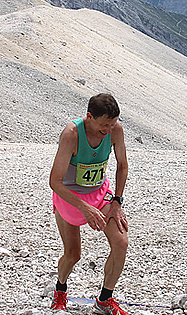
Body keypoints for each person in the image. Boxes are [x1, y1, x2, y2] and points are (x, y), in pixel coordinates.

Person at [49, 93, 130, 314]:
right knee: (73, 254)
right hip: (69, 196)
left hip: (99, 193)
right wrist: (84, 208)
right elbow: (54, 182)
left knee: (121, 242)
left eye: (112, 125)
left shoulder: (115, 130)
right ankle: (60, 291)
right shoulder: (71, 134)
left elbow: (122, 165)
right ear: (89, 117)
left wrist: (117, 202)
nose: (108, 131)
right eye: (104, 125)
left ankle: (104, 300)